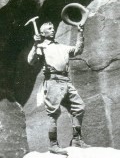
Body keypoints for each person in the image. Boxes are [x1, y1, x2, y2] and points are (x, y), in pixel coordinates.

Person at [27, 22, 90, 155]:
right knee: (53, 113)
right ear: (42, 33)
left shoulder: (62, 47)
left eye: (53, 28)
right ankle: (53, 145)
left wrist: (80, 32)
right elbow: (31, 61)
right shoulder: (41, 47)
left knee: (79, 107)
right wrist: (35, 45)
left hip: (66, 81)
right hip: (53, 82)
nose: (53, 30)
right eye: (49, 29)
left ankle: (77, 140)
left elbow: (78, 50)